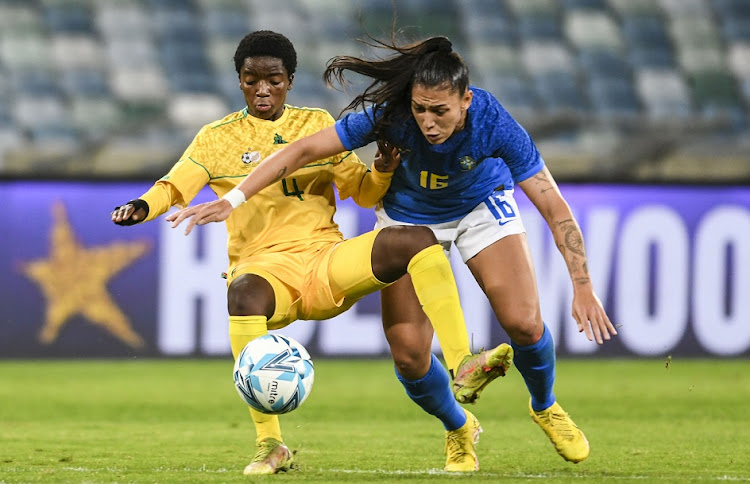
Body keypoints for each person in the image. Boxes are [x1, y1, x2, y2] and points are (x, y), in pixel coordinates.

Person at [169, 34, 619, 465]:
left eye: (440, 111)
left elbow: (553, 206)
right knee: (408, 356)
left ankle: (545, 406)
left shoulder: (494, 122)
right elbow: (304, 150)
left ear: (466, 101)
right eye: (420, 109)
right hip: (407, 216)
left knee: (522, 323)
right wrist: (232, 199)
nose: (427, 121)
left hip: (479, 206)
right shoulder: (391, 113)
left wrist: (583, 287)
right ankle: (458, 428)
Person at [112, 31, 511, 475]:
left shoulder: (316, 125)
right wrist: (143, 206)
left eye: (273, 79)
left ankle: (462, 364)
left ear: (290, 80)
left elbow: (361, 193)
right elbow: (175, 185)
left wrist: (381, 170)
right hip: (266, 271)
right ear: (239, 81)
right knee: (242, 296)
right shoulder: (216, 138)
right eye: (251, 80)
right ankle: (271, 445)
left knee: (416, 238)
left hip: (325, 261)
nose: (262, 89)